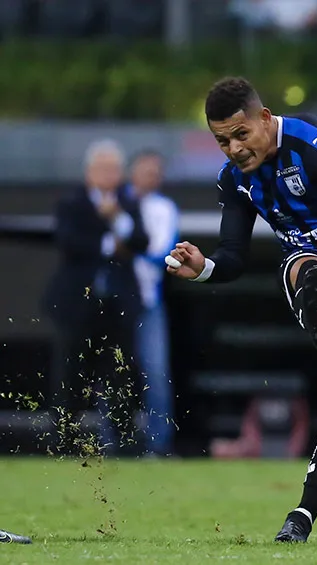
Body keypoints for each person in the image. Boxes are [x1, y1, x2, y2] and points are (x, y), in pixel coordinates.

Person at [165, 77, 317, 543]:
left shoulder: (312, 141)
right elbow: (233, 257)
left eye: (241, 134)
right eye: (222, 141)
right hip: (310, 264)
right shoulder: (235, 179)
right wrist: (204, 268)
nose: (234, 149)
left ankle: (302, 516)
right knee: (305, 264)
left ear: (264, 118)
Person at [43, 139, 149, 455]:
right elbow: (68, 242)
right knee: (70, 374)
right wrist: (109, 244)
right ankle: (63, 441)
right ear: (89, 171)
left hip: (118, 305)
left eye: (114, 169)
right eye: (102, 168)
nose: (108, 175)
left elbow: (141, 241)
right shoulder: (71, 202)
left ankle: (125, 444)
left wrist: (116, 218)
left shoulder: (127, 203)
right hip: (77, 305)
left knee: (120, 374)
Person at [127, 149, 179, 457]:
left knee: (156, 371)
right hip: (116, 300)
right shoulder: (117, 202)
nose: (151, 177)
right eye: (145, 170)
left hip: (148, 299)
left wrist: (128, 248)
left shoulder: (164, 208)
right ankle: (111, 442)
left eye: (155, 172)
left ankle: (158, 445)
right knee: (111, 371)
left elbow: (163, 252)